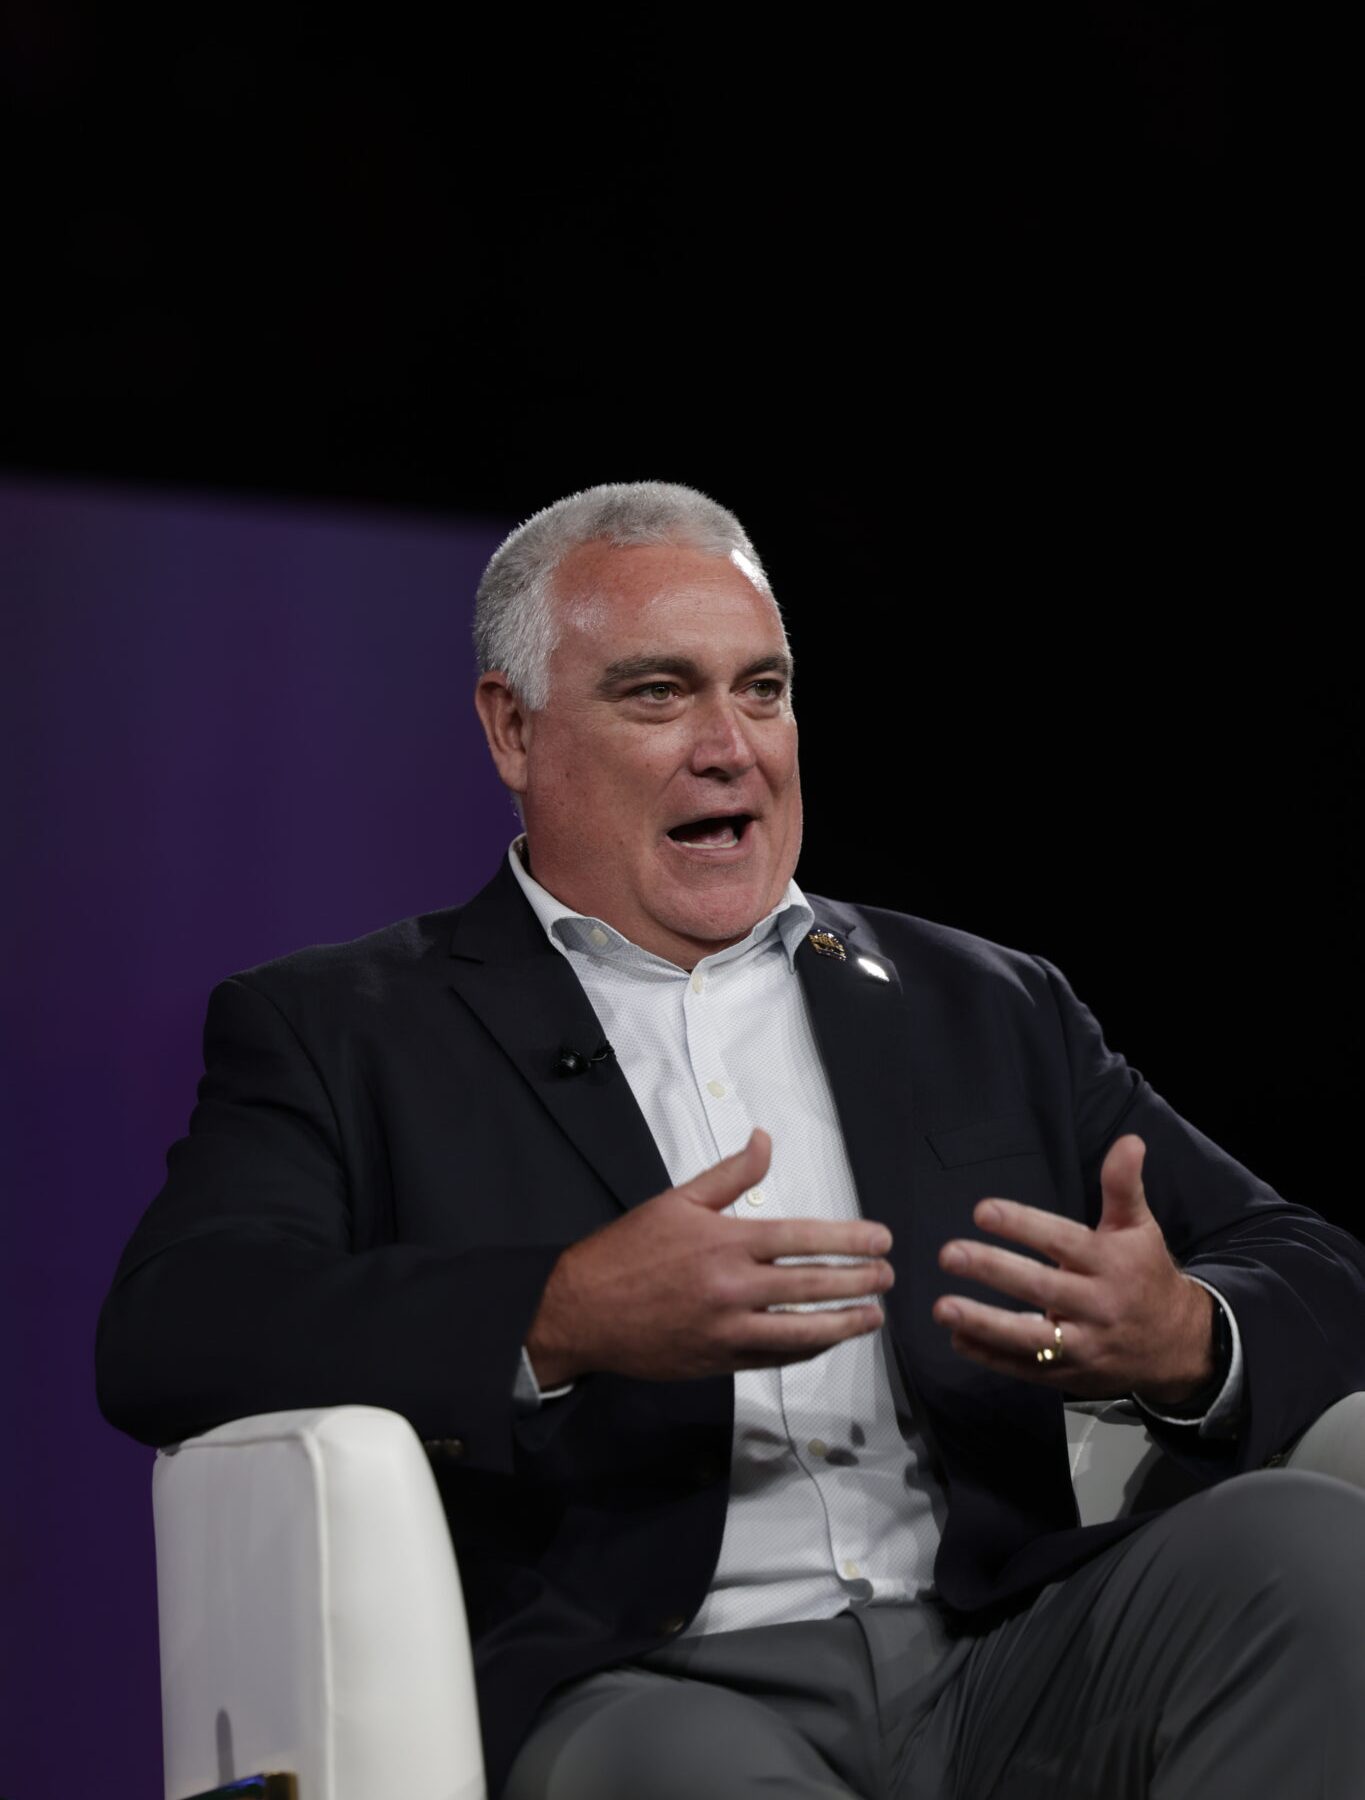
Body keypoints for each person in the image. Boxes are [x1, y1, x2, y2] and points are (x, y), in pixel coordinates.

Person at [97, 482, 1365, 1799]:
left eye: (762, 692)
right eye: (658, 694)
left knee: (1310, 1552)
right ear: (513, 729)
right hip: (647, 1683)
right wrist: (559, 1312)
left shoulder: (980, 1002)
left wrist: (1186, 1337)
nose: (730, 748)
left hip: (1005, 1651)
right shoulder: (346, 1028)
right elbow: (173, 1328)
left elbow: (1315, 1264)